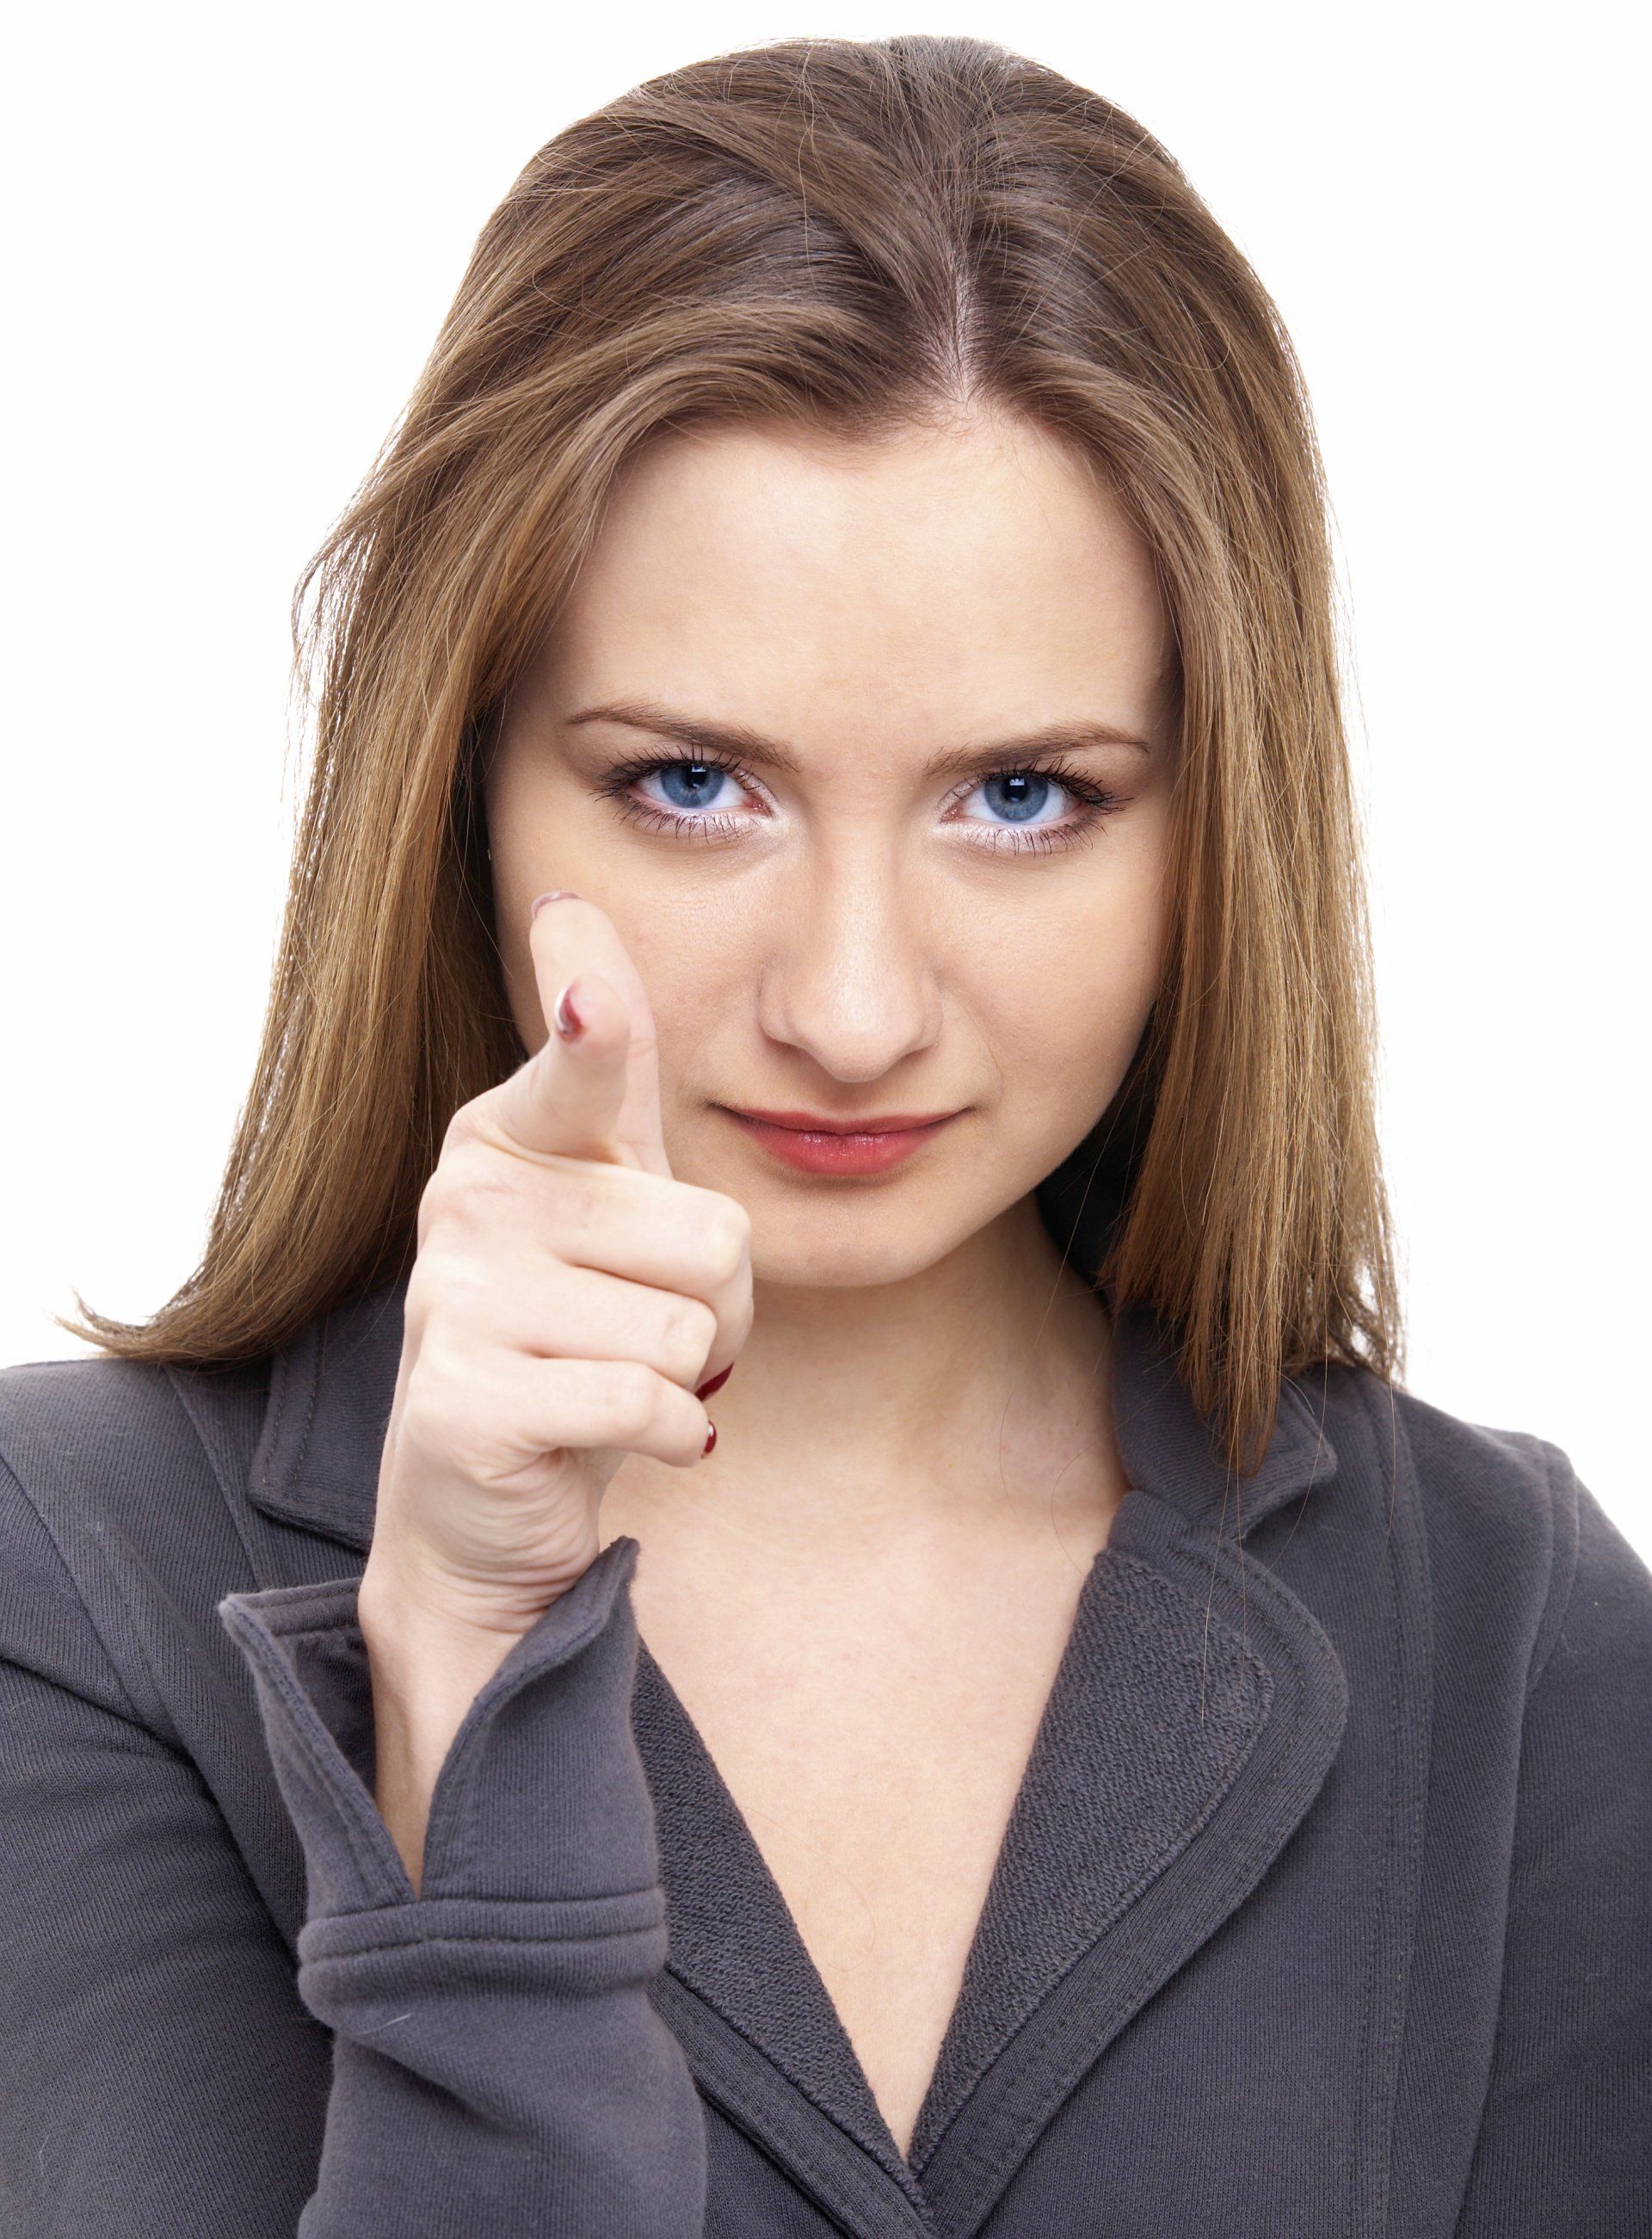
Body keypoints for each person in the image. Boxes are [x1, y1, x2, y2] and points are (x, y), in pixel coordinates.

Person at [1, 32, 1647, 2239]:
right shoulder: (67, 1576)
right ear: (461, 778)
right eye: (694, 784)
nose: (853, 1008)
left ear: (1213, 821)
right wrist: (471, 1670)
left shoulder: (1514, 1634)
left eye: (1024, 796)